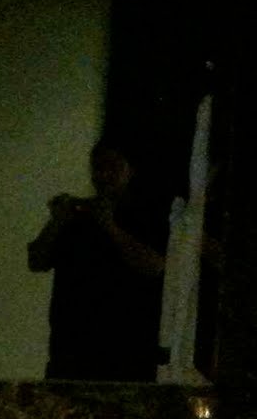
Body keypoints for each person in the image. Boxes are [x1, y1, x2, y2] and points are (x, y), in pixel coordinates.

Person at [28, 140, 167, 381]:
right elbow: (36, 261)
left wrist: (110, 227)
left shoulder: (146, 217)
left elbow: (155, 267)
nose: (104, 175)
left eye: (113, 167)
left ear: (131, 171)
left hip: (128, 352)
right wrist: (56, 222)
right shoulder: (76, 218)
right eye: (98, 167)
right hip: (70, 352)